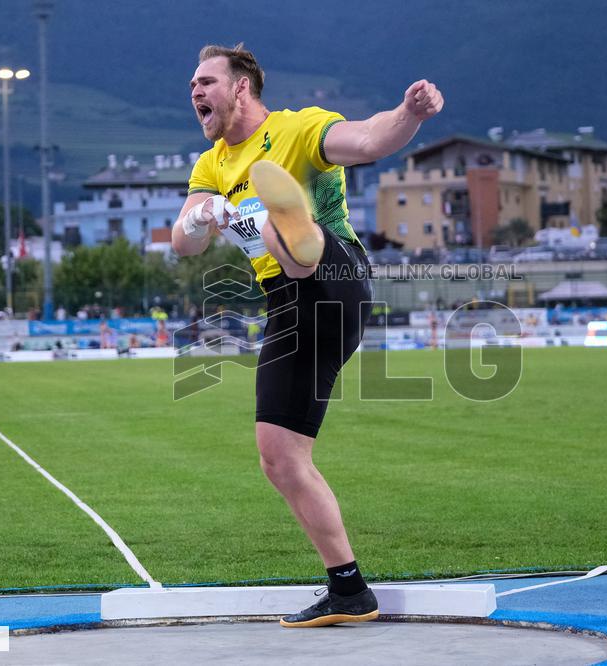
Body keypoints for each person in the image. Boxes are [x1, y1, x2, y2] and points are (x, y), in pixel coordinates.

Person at [171, 43, 443, 628]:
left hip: (337, 273)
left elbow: (370, 140)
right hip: (290, 307)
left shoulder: (298, 129)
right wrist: (199, 216)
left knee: (276, 228)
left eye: (205, 81)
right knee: (279, 456)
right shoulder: (212, 163)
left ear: (241, 87)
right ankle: (349, 589)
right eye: (191, 84)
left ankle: (292, 230)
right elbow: (182, 242)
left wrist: (411, 114)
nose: (194, 91)